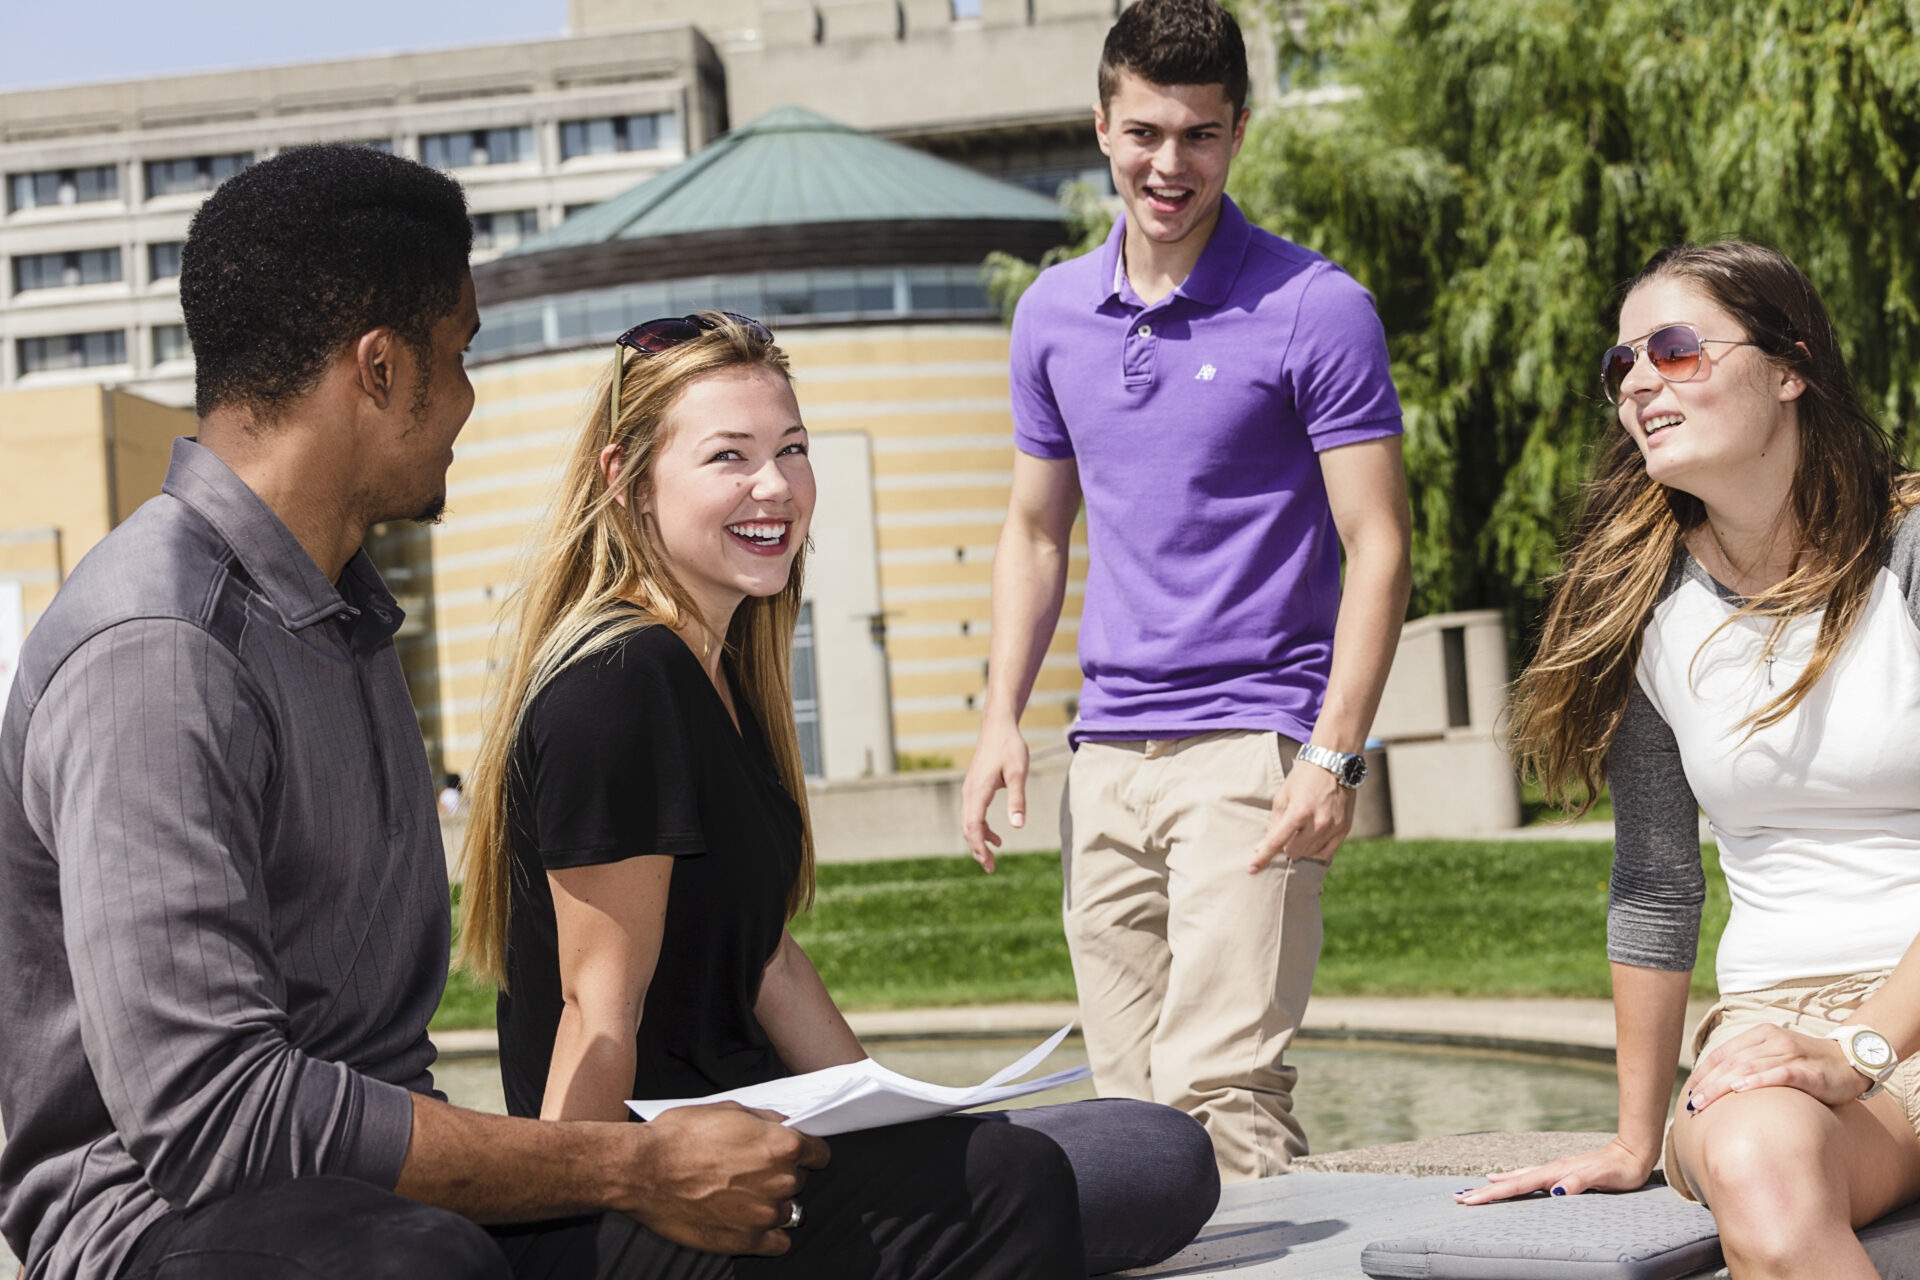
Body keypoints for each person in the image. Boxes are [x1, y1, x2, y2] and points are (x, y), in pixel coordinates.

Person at [0, 144, 998, 1280]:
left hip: (388, 1199)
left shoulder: (344, 615)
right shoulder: (159, 647)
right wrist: (620, 1168)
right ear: (380, 369)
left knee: (1024, 1189)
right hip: (158, 1223)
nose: (471, 399)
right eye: (461, 354)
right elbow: (211, 1114)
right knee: (430, 1268)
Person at [455, 311, 1220, 1277]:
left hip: (767, 1131)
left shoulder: (723, 669)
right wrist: (583, 1222)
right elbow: (592, 1012)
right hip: (661, 1186)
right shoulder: (620, 682)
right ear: (625, 477)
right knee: (1019, 1177)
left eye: (792, 449)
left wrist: (898, 1112)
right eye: (728, 456)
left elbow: (766, 956)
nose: (774, 486)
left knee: (1151, 1147)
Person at [959, 0, 1413, 1182]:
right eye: (1147, 132)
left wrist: (1335, 753)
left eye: (1201, 135)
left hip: (1252, 747)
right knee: (1129, 1114)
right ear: (1101, 125)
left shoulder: (1317, 307)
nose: (1171, 165)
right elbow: (1034, 529)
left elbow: (1380, 545)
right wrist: (999, 717)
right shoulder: (1051, 314)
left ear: (1239, 133)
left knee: (1223, 1089)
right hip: (1105, 753)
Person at [1476, 241, 1920, 1279]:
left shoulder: (1909, 554)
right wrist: (1638, 1135)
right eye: (1621, 363)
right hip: (1775, 1031)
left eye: (1675, 349)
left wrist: (1863, 1045)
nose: (1637, 381)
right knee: (1759, 1168)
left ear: (1789, 366)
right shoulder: (1641, 606)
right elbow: (1657, 880)